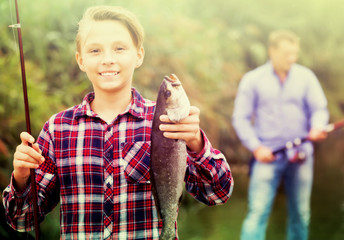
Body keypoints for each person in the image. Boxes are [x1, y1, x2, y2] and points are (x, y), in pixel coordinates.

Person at [2, 6, 233, 239]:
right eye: (95, 51)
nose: (108, 60)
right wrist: (22, 178)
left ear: (139, 55)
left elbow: (218, 193)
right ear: (80, 60)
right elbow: (22, 221)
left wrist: (196, 143)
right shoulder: (58, 128)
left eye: (120, 48)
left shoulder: (168, 122)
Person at [232, 30, 329, 240]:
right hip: (267, 155)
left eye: (294, 53)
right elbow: (240, 118)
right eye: (286, 53)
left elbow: (319, 109)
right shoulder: (252, 79)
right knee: (257, 212)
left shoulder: (306, 77)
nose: (291, 59)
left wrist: (317, 125)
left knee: (301, 214)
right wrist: (256, 148)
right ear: (272, 51)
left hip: (302, 155)